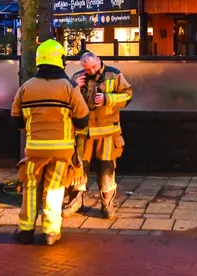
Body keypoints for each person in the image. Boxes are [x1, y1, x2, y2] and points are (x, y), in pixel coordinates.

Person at [11, 39, 89, 246]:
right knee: (54, 189)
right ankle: (51, 232)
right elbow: (82, 118)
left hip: (34, 149)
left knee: (30, 188)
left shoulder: (25, 87)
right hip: (61, 150)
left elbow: (16, 117)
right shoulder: (69, 87)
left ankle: (26, 230)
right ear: (60, 61)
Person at [63, 51, 132, 219]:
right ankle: (76, 201)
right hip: (83, 133)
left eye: (93, 67)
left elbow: (128, 95)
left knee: (106, 167)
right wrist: (74, 87)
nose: (91, 71)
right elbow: (66, 102)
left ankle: (107, 204)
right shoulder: (77, 77)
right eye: (87, 69)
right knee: (78, 167)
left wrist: (107, 98)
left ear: (99, 60)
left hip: (107, 132)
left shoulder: (114, 74)